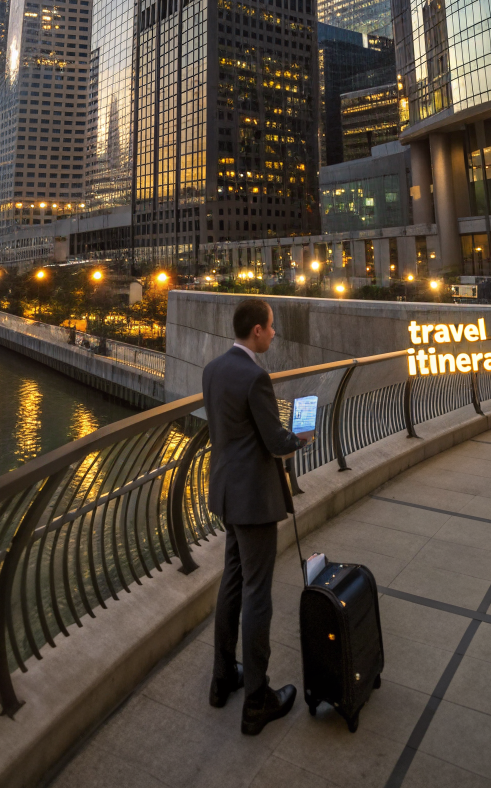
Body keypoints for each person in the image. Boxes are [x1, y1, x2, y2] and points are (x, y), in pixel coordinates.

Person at [202, 296, 313, 735]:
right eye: (271, 326)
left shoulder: (213, 370)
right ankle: (256, 700)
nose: (274, 332)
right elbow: (274, 440)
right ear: (257, 331)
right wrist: (300, 438)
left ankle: (221, 679)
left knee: (232, 582)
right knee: (256, 594)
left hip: (226, 494)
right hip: (254, 501)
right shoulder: (255, 377)